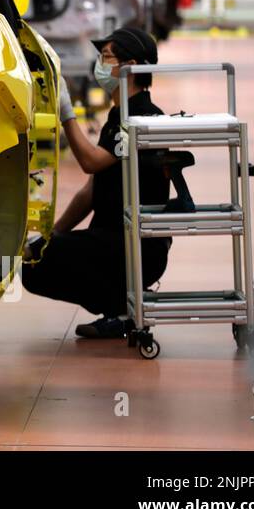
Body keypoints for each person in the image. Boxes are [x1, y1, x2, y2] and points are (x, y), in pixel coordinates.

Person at [22, 26, 172, 339]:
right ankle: (117, 309)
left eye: (106, 58)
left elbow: (90, 162)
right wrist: (52, 234)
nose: (99, 66)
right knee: (35, 260)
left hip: (137, 247)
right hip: (114, 241)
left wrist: (66, 114)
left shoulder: (143, 118)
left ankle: (120, 309)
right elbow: (90, 191)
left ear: (130, 67)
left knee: (38, 266)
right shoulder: (120, 116)